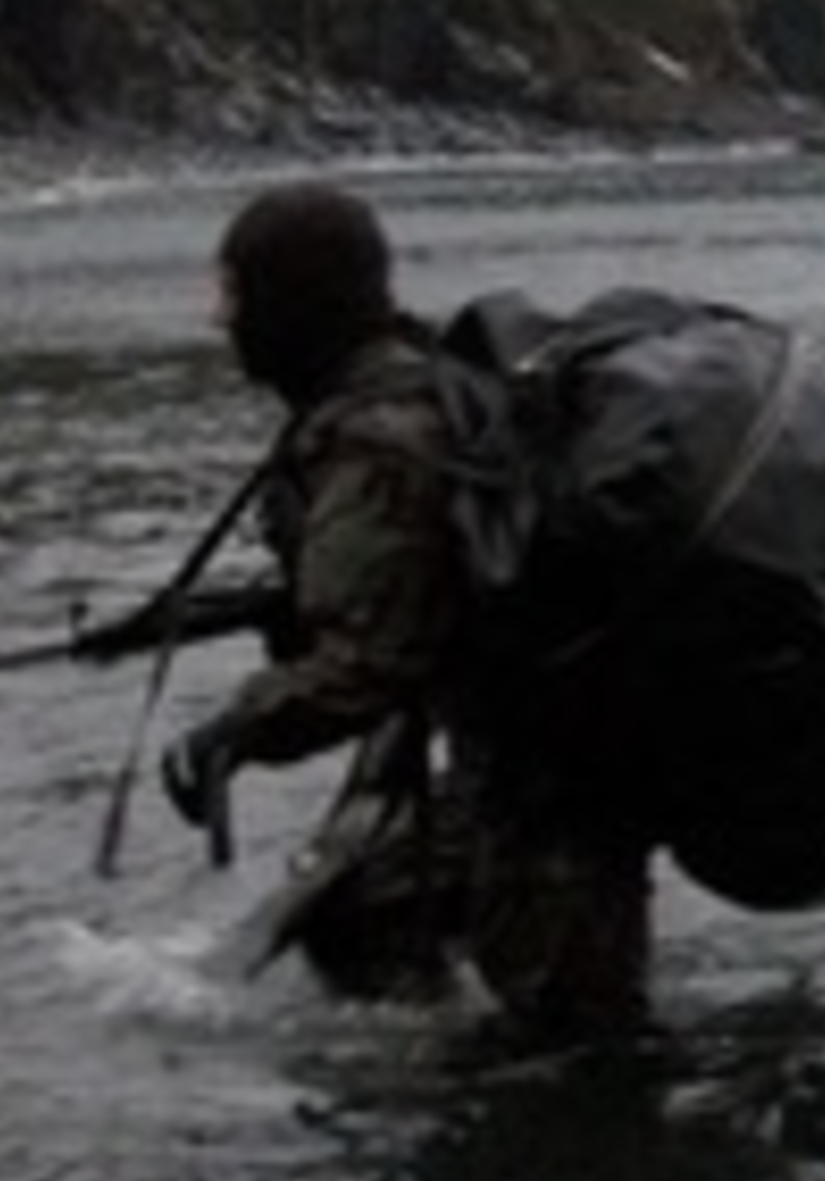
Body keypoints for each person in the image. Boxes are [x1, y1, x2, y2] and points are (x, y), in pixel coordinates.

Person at [157, 180, 654, 1041]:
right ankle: (449, 1094)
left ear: (285, 301)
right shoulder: (421, 382)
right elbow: (428, 594)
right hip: (536, 758)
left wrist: (231, 731)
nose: (218, 320)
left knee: (576, 1050)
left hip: (552, 784)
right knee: (361, 911)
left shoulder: (378, 433)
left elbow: (369, 665)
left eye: (231, 294)